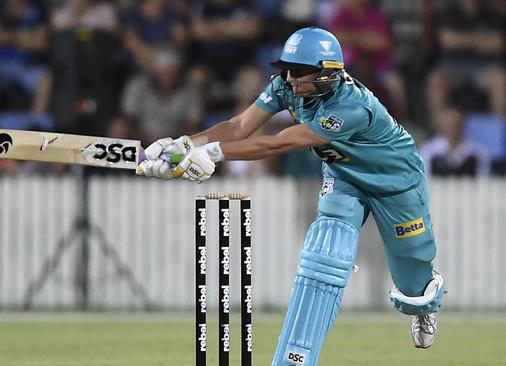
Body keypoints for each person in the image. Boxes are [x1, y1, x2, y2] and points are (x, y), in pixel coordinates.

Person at [137, 27, 446, 365]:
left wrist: (212, 154)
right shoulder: (287, 85)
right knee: (325, 251)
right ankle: (297, 357)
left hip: (396, 182)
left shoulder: (351, 107)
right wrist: (184, 144)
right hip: (344, 177)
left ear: (328, 72)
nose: (290, 78)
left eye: (299, 72)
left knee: (413, 276)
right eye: (287, 68)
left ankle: (423, 306)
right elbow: (240, 125)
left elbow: (279, 143)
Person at [420, 108, 490, 177]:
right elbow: (425, 178)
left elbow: (483, 180)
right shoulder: (429, 150)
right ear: (443, 126)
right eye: (449, 125)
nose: (453, 129)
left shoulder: (477, 152)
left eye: (457, 125)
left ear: (463, 126)